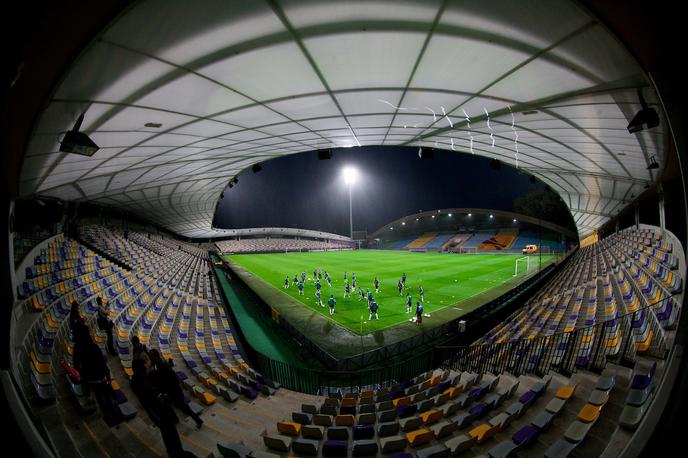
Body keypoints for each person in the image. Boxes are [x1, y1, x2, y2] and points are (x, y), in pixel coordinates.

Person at [130, 358, 190, 458]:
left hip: (156, 414)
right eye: (144, 366)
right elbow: (152, 395)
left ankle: (173, 452)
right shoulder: (142, 383)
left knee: (166, 434)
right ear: (140, 368)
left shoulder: (134, 381)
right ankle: (177, 453)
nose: (146, 367)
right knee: (171, 433)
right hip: (161, 412)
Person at [72, 322, 121, 426]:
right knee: (107, 397)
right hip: (100, 377)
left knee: (101, 399)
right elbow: (102, 362)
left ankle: (109, 418)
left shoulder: (78, 348)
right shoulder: (93, 346)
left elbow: (77, 365)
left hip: (92, 379)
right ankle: (114, 416)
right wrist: (107, 376)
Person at [148, 349, 203, 429]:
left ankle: (197, 420)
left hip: (173, 390)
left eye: (151, 356)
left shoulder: (161, 366)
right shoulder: (160, 365)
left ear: (155, 357)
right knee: (177, 406)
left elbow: (168, 379)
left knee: (183, 407)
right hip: (171, 390)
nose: (150, 358)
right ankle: (179, 419)